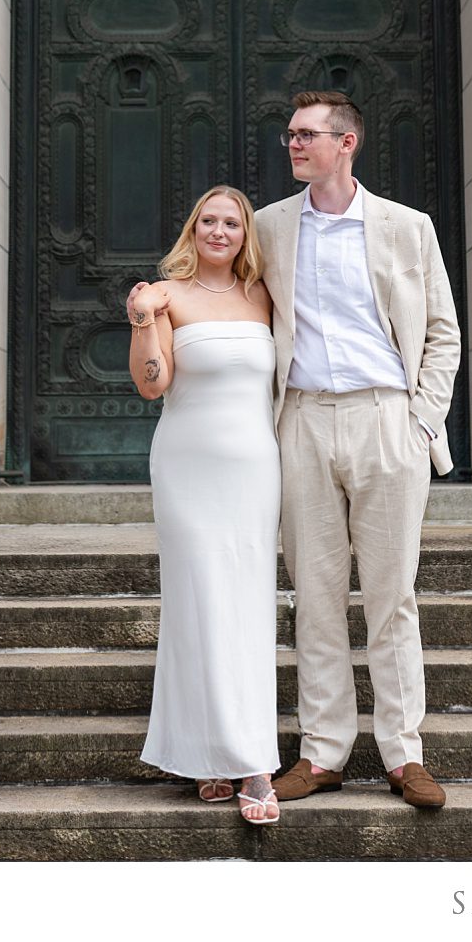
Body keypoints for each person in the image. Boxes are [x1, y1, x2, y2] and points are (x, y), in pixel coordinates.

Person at [257, 90, 459, 810]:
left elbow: (443, 332)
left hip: (386, 420)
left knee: (391, 596)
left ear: (347, 143)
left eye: (307, 134)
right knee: (314, 596)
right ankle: (322, 753)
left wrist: (421, 423)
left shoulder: (408, 227)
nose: (293, 144)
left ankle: (405, 755)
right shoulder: (268, 227)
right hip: (304, 422)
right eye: (289, 134)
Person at [128, 186, 282, 825]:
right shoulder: (168, 296)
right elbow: (151, 384)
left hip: (253, 468)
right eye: (209, 222)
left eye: (232, 224)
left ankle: (250, 759)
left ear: (246, 234)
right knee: (198, 603)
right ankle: (208, 756)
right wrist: (142, 319)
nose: (220, 232)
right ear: (193, 229)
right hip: (187, 467)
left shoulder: (266, 295)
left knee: (246, 603)